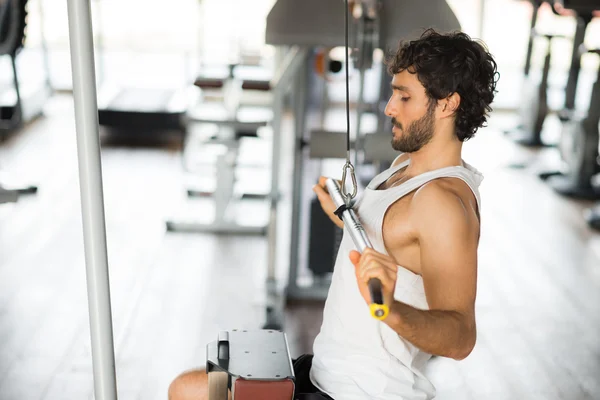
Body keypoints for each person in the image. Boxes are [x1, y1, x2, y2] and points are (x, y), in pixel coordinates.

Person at [168, 28, 498, 400]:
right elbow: (399, 244)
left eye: (404, 97)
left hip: (360, 392)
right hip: (325, 372)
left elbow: (460, 337)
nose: (390, 107)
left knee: (189, 392)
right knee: (193, 386)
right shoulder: (405, 166)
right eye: (393, 92)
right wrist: (347, 215)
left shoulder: (443, 202)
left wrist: (389, 310)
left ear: (448, 104)